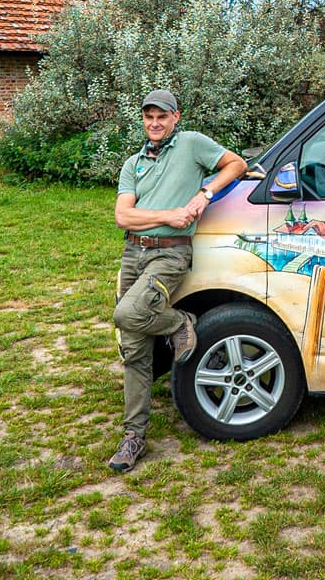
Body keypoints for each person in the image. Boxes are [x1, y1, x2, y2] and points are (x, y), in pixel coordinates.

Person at [106, 88, 247, 474]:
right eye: (149, 117)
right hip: (133, 252)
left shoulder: (191, 145)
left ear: (175, 118)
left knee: (127, 313)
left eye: (162, 117)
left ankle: (180, 322)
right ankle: (134, 435)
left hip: (171, 253)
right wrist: (169, 212)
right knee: (134, 348)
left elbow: (235, 164)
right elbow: (123, 217)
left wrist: (204, 194)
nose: (155, 123)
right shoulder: (133, 163)